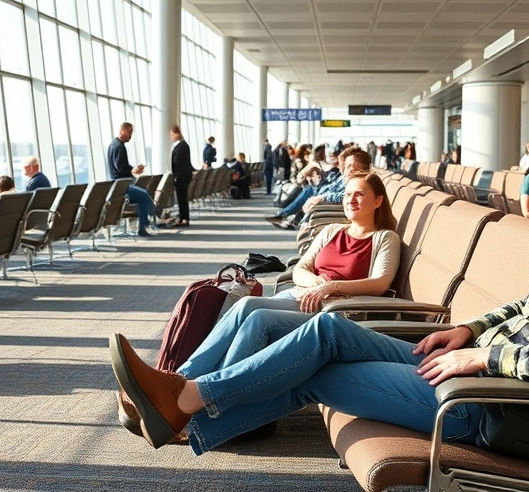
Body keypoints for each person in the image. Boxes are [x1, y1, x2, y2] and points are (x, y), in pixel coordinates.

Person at [109, 161, 529, 455]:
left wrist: (484, 357)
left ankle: (186, 406)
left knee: (314, 367)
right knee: (323, 330)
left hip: (495, 405)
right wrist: (469, 330)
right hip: (473, 365)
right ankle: (183, 400)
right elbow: (523, 307)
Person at [112, 173, 400, 437]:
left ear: (377, 201)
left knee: (260, 319)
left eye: (359, 194)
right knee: (246, 305)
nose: (351, 199)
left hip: (337, 309)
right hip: (301, 295)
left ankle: (184, 397)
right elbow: (301, 268)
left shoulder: (384, 238)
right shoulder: (331, 231)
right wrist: (315, 283)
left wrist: (330, 287)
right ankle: (177, 385)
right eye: (348, 194)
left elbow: (380, 282)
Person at [265, 147, 371, 229]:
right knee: (310, 191)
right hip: (324, 201)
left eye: (354, 165)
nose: (350, 169)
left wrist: (322, 197)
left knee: (310, 193)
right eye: (348, 165)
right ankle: (291, 217)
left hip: (329, 208)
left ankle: (291, 217)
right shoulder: (347, 178)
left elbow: (345, 196)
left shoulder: (360, 182)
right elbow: (332, 188)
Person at [107, 122, 158, 237]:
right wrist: (133, 170)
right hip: (121, 186)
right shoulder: (119, 146)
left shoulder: (113, 145)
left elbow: (120, 166)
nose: (131, 135)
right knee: (144, 195)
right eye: (129, 132)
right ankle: (151, 218)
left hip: (119, 184)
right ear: (123, 131)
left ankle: (147, 222)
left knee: (143, 194)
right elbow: (120, 167)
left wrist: (132, 170)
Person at [170, 125, 194, 227]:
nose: (171, 137)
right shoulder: (184, 145)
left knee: (182, 198)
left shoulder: (180, 147)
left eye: (172, 134)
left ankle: (184, 219)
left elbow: (176, 162)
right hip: (185, 175)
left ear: (177, 134)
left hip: (181, 176)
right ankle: (183, 217)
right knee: (182, 198)